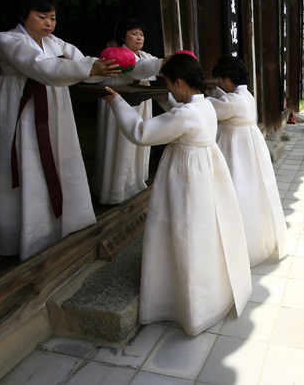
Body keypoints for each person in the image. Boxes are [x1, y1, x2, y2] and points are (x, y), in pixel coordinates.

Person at [103, 53, 252, 335]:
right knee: (202, 235)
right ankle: (209, 299)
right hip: (203, 175)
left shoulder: (186, 114)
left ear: (180, 82)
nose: (169, 88)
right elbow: (179, 116)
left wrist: (117, 103)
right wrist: (165, 100)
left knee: (184, 233)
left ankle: (185, 302)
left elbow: (141, 132)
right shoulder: (206, 106)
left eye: (169, 84)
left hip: (185, 179)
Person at [0, 0, 121, 261]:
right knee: (26, 161)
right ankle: (26, 233)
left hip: (55, 104)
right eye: (42, 16)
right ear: (23, 15)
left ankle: (65, 224)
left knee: (61, 158)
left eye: (53, 18)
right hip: (21, 107)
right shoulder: (8, 39)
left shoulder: (56, 43)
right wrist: (87, 68)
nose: (48, 23)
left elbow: (83, 62)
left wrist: (101, 66)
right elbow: (38, 66)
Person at [207, 55, 289, 267]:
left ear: (227, 78)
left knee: (234, 193)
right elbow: (222, 100)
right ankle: (252, 242)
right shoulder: (245, 95)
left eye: (220, 80)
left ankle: (237, 246)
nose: (218, 84)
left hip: (235, 151)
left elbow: (209, 108)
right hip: (247, 150)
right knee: (249, 194)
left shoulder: (232, 102)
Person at [93, 17, 167, 204]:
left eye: (141, 34)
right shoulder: (115, 53)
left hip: (140, 102)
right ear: (123, 37)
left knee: (139, 141)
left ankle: (135, 184)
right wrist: (163, 62)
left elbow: (150, 65)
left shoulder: (145, 55)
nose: (139, 37)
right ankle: (116, 191)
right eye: (134, 33)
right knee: (120, 143)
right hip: (118, 99)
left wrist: (165, 64)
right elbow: (138, 68)